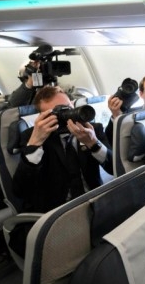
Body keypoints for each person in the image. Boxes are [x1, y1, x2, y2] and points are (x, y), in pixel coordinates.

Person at [12, 85, 112, 214]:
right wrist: (35, 144)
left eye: (67, 109)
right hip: (58, 211)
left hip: (95, 202)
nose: (66, 116)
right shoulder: (32, 136)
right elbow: (19, 190)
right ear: (43, 116)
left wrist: (93, 143)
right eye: (58, 113)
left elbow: (112, 168)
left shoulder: (92, 129)